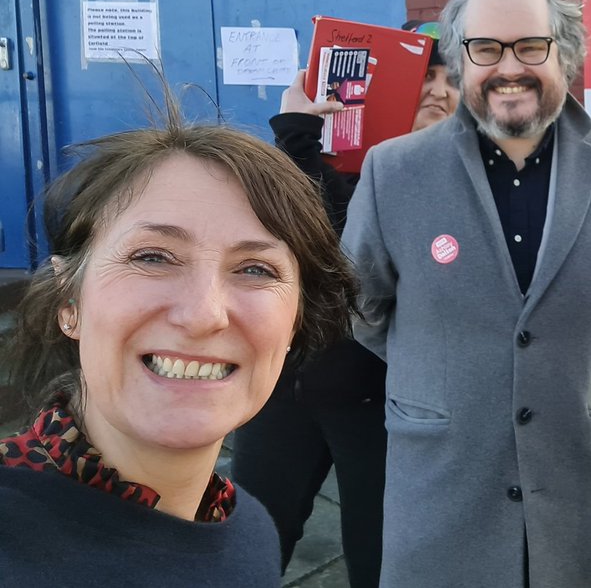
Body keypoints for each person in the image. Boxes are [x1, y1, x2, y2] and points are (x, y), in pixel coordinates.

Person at [344, 0, 591, 587]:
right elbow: (362, 306)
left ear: (565, 53)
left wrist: (562, 360)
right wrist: (447, 367)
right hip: (445, 481)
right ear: (464, 58)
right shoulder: (395, 171)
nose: (509, 68)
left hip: (576, 478)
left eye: (530, 45)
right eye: (486, 48)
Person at [0, 100, 357, 586]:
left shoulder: (248, 530)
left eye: (256, 269)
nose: (203, 315)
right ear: (69, 301)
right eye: (153, 257)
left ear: (294, 321)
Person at [231, 19, 458, 588]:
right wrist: (302, 137)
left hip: (380, 402)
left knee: (381, 560)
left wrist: (299, 142)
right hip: (287, 391)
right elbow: (296, 240)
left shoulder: (459, 182)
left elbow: (350, 270)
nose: (438, 90)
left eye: (452, 77)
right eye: (425, 74)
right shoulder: (328, 167)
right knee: (245, 543)